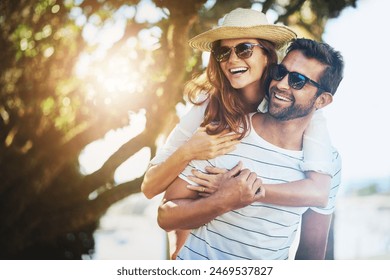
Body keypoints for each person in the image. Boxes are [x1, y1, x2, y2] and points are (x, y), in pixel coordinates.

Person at [141, 8, 336, 259]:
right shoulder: (208, 107)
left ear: (267, 55)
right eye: (223, 52)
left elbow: (319, 192)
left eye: (244, 49)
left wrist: (242, 190)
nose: (232, 60)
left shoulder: (290, 105)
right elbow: (150, 188)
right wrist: (190, 150)